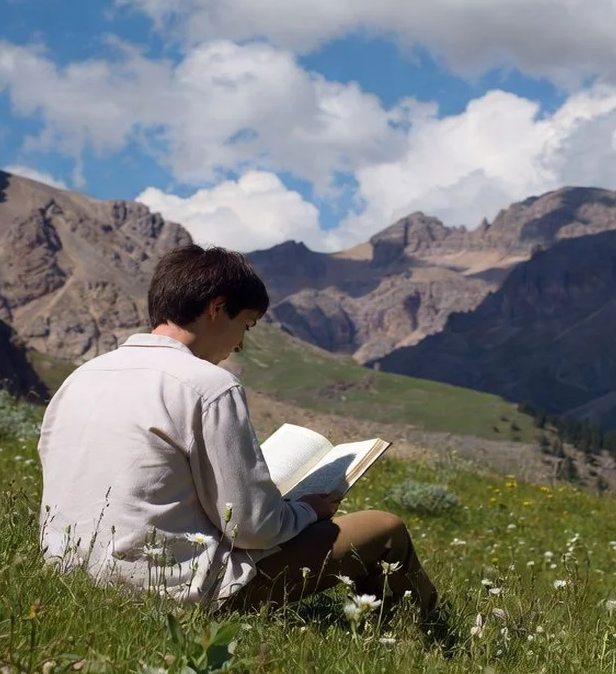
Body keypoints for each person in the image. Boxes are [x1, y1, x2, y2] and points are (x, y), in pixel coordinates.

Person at [37, 243, 437, 620]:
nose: (241, 344)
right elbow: (251, 527)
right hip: (167, 590)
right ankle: (426, 637)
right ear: (217, 308)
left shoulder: (81, 377)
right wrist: (308, 511)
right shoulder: (209, 385)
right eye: (246, 325)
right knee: (386, 529)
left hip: (72, 577)